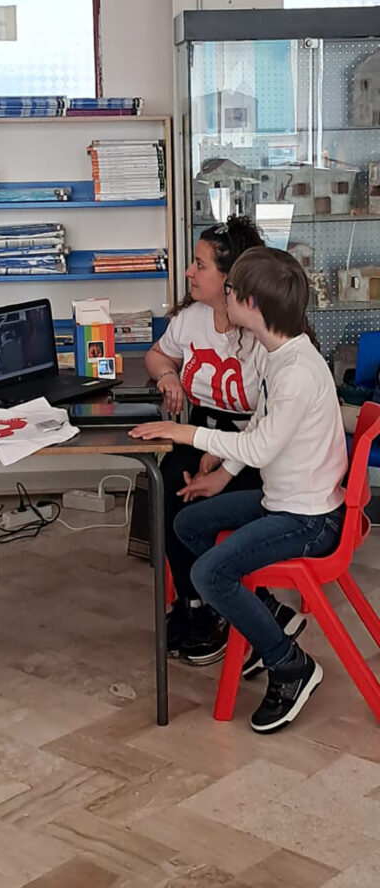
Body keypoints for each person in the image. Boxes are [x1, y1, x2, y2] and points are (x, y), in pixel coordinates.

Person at [131, 247, 347, 733]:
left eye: (229, 290)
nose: (222, 298)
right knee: (189, 522)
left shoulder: (296, 372)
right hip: (283, 502)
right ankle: (266, 613)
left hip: (309, 519)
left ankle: (290, 665)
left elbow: (262, 445)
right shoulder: (279, 354)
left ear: (251, 303)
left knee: (210, 573)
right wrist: (223, 468)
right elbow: (259, 425)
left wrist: (188, 435)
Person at [144, 215, 298, 666]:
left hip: (249, 442)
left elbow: (263, 429)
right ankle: (191, 602)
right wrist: (168, 376)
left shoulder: (260, 331)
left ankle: (229, 602)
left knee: (214, 500)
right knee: (171, 483)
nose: (189, 272)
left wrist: (221, 460)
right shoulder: (190, 319)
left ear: (231, 278)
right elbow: (157, 355)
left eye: (200, 265)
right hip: (201, 430)